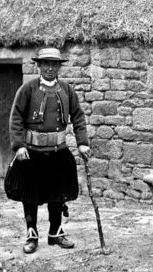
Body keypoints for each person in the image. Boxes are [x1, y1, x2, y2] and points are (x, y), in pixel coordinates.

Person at [5, 47, 91, 253]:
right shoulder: (28, 89)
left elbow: (78, 116)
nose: (50, 68)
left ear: (59, 66)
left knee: (58, 193)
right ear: (39, 66)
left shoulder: (67, 90)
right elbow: (16, 118)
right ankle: (31, 235)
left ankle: (55, 233)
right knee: (29, 194)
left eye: (55, 64)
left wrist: (82, 142)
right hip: (31, 152)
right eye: (46, 64)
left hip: (58, 151)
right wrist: (18, 146)